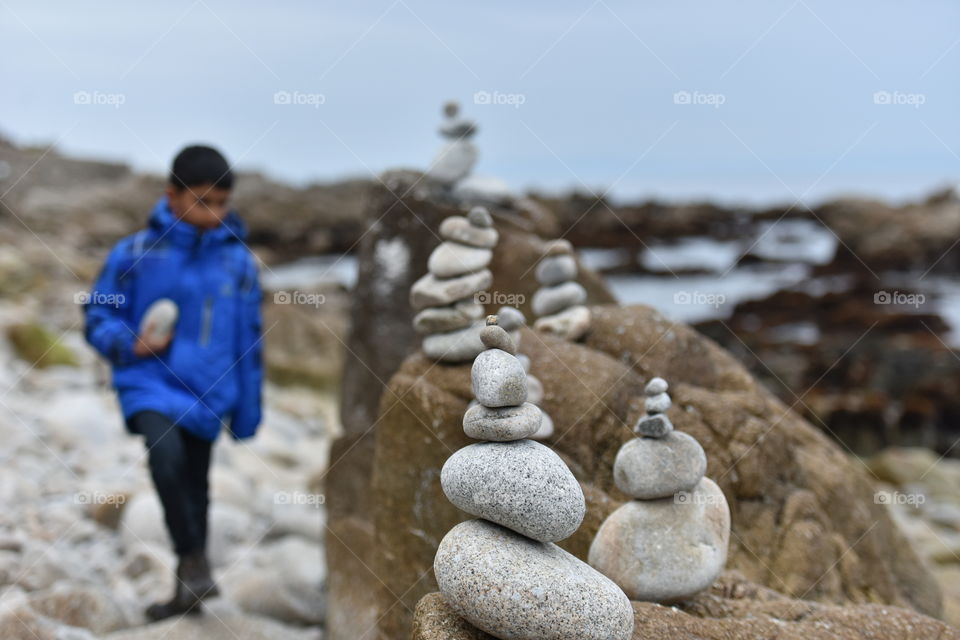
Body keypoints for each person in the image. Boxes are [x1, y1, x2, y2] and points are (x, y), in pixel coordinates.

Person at [84, 145, 263, 620]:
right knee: (165, 460)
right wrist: (127, 344)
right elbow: (97, 311)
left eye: (223, 203)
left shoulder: (238, 263)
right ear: (172, 195)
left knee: (195, 485)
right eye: (204, 201)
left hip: (208, 392)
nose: (216, 213)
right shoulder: (134, 253)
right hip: (147, 383)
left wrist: (248, 410)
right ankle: (194, 560)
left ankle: (188, 592)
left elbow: (249, 341)